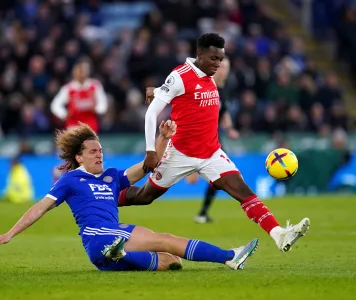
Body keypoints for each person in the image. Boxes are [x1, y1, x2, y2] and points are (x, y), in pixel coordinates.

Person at [118, 33, 310, 253]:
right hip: (180, 154)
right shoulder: (180, 76)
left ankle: (279, 234)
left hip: (211, 153)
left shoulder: (210, 77)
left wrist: (157, 90)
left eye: (221, 59)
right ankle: (105, 198)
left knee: (243, 191)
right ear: (199, 55)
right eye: (213, 59)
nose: (218, 64)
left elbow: (175, 93)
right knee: (144, 197)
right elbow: (151, 113)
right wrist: (151, 151)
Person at [0, 121, 259, 271]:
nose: (99, 154)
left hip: (114, 237)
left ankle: (120, 255)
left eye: (100, 150)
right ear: (79, 157)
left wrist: (162, 138)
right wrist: (10, 233)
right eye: (93, 151)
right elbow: (40, 208)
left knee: (170, 260)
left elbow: (147, 166)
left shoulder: (112, 176)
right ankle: (229, 256)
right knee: (166, 240)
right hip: (98, 236)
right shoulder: (70, 180)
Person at [146, 58, 239, 224]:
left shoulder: (223, 89)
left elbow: (224, 113)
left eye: (226, 67)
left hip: (211, 139)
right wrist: (155, 91)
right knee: (194, 180)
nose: (223, 70)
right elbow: (172, 89)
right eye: (221, 66)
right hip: (187, 137)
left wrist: (230, 128)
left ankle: (203, 212)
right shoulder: (199, 83)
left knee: (219, 179)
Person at [50, 59, 108, 133]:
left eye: (84, 70)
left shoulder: (95, 86)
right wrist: (64, 114)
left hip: (91, 124)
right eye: (79, 70)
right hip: (73, 125)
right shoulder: (68, 88)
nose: (82, 73)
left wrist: (97, 109)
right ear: (74, 72)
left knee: (90, 143)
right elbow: (55, 105)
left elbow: (103, 103)